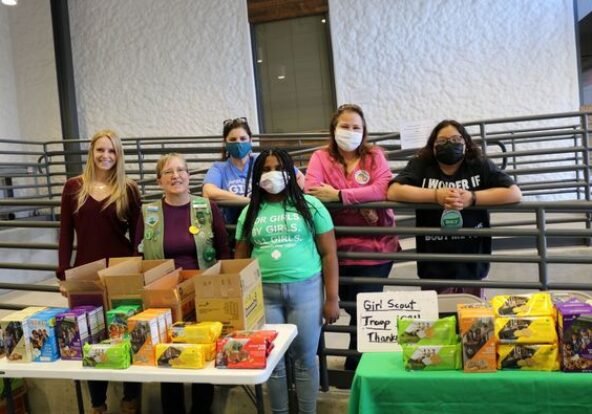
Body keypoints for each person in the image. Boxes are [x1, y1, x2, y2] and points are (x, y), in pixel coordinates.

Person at [234, 148, 339, 414]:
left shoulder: (311, 206)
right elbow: (241, 261)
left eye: (278, 167)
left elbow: (329, 254)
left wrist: (332, 298)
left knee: (305, 359)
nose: (272, 174)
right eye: (266, 169)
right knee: (273, 360)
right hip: (264, 294)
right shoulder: (249, 213)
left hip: (307, 292)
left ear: (291, 172)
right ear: (257, 176)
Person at [304, 104, 400, 371]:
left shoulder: (375, 155)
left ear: (364, 131)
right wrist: (361, 199)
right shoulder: (320, 157)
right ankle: (356, 363)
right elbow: (312, 190)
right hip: (336, 248)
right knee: (348, 306)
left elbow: (382, 188)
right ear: (334, 128)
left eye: (356, 127)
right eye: (345, 126)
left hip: (376, 246)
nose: (350, 131)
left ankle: (355, 366)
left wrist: (340, 196)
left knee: (365, 310)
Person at [135, 153, 230, 414]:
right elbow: (138, 255)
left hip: (202, 292)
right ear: (158, 181)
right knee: (168, 354)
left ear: (189, 176)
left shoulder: (206, 207)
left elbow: (223, 249)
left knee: (202, 350)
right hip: (163, 295)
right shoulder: (149, 212)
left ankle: (202, 409)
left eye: (181, 170)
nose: (176, 176)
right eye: (168, 172)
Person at [57, 129, 141, 414]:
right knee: (91, 339)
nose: (106, 156)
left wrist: (135, 269)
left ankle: (130, 400)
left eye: (112, 151)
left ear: (118, 155)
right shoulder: (73, 187)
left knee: (126, 334)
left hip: (121, 273)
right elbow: (66, 234)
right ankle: (98, 405)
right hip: (85, 274)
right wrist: (63, 276)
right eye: (100, 150)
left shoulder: (128, 189)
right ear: (91, 152)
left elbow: (139, 234)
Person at [387, 119, 522, 296]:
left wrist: (472, 198)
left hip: (472, 261)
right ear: (433, 146)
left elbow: (514, 192)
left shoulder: (478, 164)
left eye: (456, 139)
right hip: (433, 263)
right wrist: (436, 196)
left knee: (471, 318)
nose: (449, 144)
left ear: (466, 143)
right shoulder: (422, 164)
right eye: (442, 141)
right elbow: (394, 191)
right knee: (439, 320)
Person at [203, 117, 305, 224]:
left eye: (243, 139)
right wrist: (249, 201)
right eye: (233, 140)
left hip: (266, 220)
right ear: (225, 142)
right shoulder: (219, 168)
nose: (238, 143)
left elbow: (299, 177)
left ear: (250, 140)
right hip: (235, 224)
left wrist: (281, 203)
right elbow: (208, 192)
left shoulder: (263, 160)